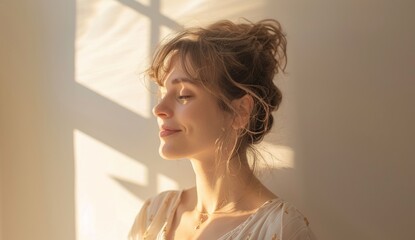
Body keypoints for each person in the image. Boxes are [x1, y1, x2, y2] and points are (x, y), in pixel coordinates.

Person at [129, 18, 313, 240]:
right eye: (161, 94)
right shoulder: (154, 213)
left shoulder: (280, 229)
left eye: (183, 95)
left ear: (240, 112)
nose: (158, 109)